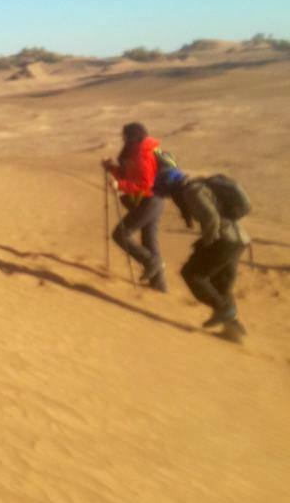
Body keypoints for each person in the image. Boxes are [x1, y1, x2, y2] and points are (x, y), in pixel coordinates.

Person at [155, 168, 250, 341]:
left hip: (224, 240)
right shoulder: (198, 186)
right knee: (220, 284)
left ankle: (224, 310)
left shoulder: (191, 192)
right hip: (239, 240)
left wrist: (206, 242)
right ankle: (233, 331)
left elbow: (211, 218)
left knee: (192, 274)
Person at [102, 122, 167, 291]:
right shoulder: (135, 151)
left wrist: (121, 186)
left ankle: (151, 262)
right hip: (154, 200)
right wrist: (111, 168)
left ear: (132, 137)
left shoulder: (142, 154)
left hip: (149, 200)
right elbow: (128, 175)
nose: (123, 139)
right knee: (149, 240)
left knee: (121, 234)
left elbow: (146, 184)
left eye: (125, 136)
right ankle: (159, 284)